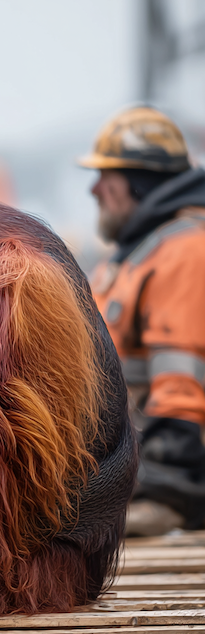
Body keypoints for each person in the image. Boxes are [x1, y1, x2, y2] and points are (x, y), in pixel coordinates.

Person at [82, 105, 205, 536]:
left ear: (137, 182)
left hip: (167, 487)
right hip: (127, 473)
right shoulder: (138, 253)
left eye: (105, 177)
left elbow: (183, 379)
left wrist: (171, 492)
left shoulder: (184, 252)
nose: (94, 190)